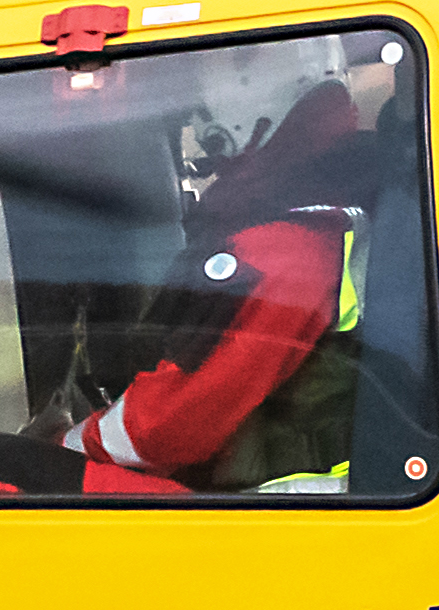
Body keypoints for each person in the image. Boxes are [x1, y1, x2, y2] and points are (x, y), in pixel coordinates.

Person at [63, 80, 383, 495]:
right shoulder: (330, 219)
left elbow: (169, 428)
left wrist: (65, 443)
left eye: (209, 140)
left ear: (244, 125)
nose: (210, 161)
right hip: (317, 497)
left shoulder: (282, 251)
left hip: (268, 509)